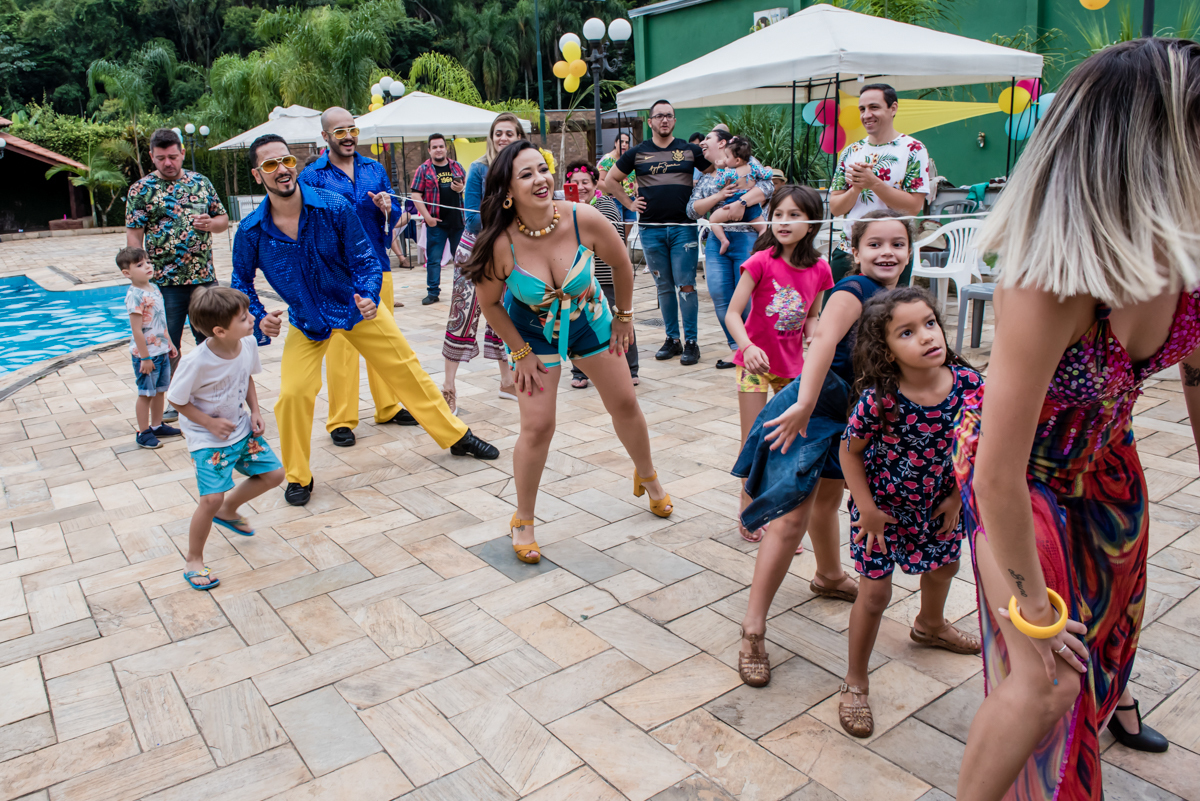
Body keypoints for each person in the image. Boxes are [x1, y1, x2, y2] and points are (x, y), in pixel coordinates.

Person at [953, 39, 1191, 801]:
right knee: (1048, 675)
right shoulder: (1049, 276)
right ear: (1157, 145)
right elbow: (996, 470)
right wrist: (1028, 605)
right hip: (1020, 477)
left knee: (1110, 644)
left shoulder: (1185, 249)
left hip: (1111, 473)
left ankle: (1103, 710)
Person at [231, 134, 498, 507]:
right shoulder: (250, 232)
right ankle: (298, 476)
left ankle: (456, 437)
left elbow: (365, 260)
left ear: (295, 164)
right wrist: (259, 319)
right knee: (291, 395)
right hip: (307, 320)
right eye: (271, 165)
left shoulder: (332, 206)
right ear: (259, 176)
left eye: (287, 161)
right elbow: (241, 283)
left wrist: (370, 297)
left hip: (356, 308)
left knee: (407, 370)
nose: (283, 170)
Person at [464, 140, 672, 564]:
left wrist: (625, 316)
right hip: (533, 333)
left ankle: (647, 475)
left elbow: (622, 265)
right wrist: (519, 352)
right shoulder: (499, 245)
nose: (540, 179)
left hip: (591, 319)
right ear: (508, 190)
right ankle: (523, 518)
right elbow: (489, 305)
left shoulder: (583, 218)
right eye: (526, 174)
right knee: (538, 426)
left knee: (625, 403)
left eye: (542, 169)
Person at [732, 210, 912, 688]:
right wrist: (805, 404)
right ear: (855, 252)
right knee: (791, 517)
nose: (887, 252)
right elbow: (825, 343)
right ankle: (752, 628)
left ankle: (829, 575)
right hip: (815, 408)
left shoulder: (899, 298)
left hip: (854, 417)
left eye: (897, 243)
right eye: (875, 244)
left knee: (829, 501)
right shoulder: (853, 292)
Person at [838, 287, 982, 737]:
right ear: (886, 350)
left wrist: (959, 496)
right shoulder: (881, 399)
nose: (926, 336)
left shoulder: (971, 385)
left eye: (930, 324)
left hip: (939, 503)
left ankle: (931, 624)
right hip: (880, 512)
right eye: (907, 332)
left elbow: (973, 443)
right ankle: (855, 680)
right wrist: (867, 508)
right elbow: (849, 452)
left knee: (946, 566)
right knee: (875, 595)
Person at [299, 107, 417, 448]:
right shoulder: (311, 177)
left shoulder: (374, 169)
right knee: (342, 350)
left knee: (387, 341)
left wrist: (388, 208)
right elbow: (305, 224)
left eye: (352, 129)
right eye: (339, 131)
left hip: (377, 266)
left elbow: (393, 214)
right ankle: (342, 419)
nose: (348, 136)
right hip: (337, 276)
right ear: (325, 137)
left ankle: (388, 406)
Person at [725, 186, 831, 542]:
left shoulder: (820, 269)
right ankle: (747, 505)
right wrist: (747, 346)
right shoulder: (760, 262)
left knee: (790, 442)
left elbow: (813, 315)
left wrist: (815, 335)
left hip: (793, 369)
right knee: (753, 439)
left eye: (795, 215)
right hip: (753, 365)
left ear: (812, 223)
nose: (784, 222)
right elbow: (732, 314)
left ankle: (782, 515)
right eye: (779, 213)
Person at [167, 286, 284, 590]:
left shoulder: (246, 345)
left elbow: (246, 377)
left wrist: (256, 411)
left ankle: (228, 510)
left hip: (242, 429)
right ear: (220, 331)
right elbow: (177, 399)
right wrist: (208, 422)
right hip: (208, 439)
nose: (251, 322)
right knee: (210, 499)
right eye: (244, 319)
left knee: (274, 474)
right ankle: (193, 558)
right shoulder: (196, 362)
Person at [126, 127, 229, 421]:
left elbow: (223, 220)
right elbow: (134, 239)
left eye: (173, 156)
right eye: (161, 158)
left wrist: (212, 223)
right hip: (163, 285)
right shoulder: (140, 190)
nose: (168, 163)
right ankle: (174, 400)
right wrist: (140, 281)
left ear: (182, 152)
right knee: (165, 345)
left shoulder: (201, 183)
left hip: (203, 279)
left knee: (211, 339)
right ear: (151, 157)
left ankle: (214, 395)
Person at [604, 100, 710, 366]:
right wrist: (629, 203)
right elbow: (609, 180)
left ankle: (692, 342)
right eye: (659, 116)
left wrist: (704, 197)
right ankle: (672, 339)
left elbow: (716, 171)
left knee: (686, 285)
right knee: (663, 287)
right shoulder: (638, 152)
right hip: (651, 229)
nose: (664, 120)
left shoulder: (689, 150)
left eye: (669, 116)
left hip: (683, 228)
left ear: (674, 121)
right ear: (650, 121)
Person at [441, 113, 525, 413]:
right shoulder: (479, 168)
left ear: (519, 138)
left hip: (508, 253)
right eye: (498, 133)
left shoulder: (523, 170)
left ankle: (506, 382)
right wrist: (509, 224)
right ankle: (449, 386)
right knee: (463, 314)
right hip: (475, 253)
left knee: (501, 314)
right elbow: (472, 219)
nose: (503, 138)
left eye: (509, 134)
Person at [689, 127, 773, 369]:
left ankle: (754, 346)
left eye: (707, 139)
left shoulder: (748, 164)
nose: (702, 143)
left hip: (747, 237)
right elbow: (692, 210)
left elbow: (769, 186)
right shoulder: (708, 177)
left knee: (747, 297)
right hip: (719, 241)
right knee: (719, 294)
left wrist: (742, 203)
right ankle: (737, 349)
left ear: (724, 144)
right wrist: (719, 197)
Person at [829, 84, 930, 284]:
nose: (867, 115)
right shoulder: (850, 151)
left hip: (891, 255)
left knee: (888, 314)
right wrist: (857, 188)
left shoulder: (913, 149)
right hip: (849, 250)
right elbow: (835, 208)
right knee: (838, 312)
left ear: (893, 109)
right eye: (862, 109)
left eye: (874, 107)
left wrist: (874, 183)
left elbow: (913, 207)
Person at [563, 160, 638, 389]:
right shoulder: (564, 209)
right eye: (574, 183)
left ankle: (630, 367)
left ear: (595, 183)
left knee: (619, 318)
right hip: (577, 278)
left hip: (606, 276)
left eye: (585, 182)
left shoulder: (605, 205)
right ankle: (580, 370)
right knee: (576, 319)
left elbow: (612, 241)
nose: (581, 186)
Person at [118, 246, 181, 449]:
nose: (147, 266)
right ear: (127, 273)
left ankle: (156, 425)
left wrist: (169, 342)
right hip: (146, 355)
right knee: (146, 393)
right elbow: (137, 330)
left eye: (147, 262)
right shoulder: (135, 295)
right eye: (140, 264)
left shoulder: (154, 289)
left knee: (160, 390)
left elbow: (161, 321)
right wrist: (144, 358)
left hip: (161, 350)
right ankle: (143, 431)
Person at [412, 133, 466, 305]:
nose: (438, 149)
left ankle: (464, 290)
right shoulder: (423, 169)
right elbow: (415, 194)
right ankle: (433, 292)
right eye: (434, 147)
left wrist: (461, 188)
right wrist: (427, 218)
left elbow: (467, 189)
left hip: (458, 221)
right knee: (433, 260)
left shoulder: (457, 166)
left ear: (445, 148)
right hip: (436, 222)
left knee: (462, 259)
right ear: (429, 150)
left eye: (441, 146)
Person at [706, 136, 771, 254]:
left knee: (713, 219)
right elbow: (766, 175)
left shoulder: (730, 172)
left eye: (727, 157)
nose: (725, 160)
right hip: (752, 207)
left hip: (731, 206)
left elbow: (719, 184)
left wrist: (720, 169)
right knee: (763, 228)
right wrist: (769, 169)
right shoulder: (754, 168)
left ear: (737, 161)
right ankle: (760, 247)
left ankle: (723, 240)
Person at [598, 131, 637, 233]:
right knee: (615, 232)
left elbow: (635, 180)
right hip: (614, 200)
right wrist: (615, 190)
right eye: (621, 142)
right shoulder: (607, 160)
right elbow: (599, 182)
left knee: (625, 234)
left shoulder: (629, 160)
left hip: (630, 199)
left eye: (627, 142)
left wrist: (636, 188)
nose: (624, 144)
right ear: (615, 143)